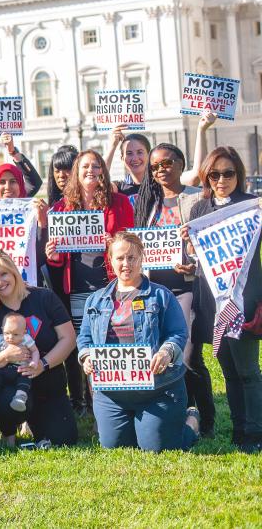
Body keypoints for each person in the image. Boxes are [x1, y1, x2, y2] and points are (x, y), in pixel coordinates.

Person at [77, 232, 199, 452]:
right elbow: (84, 337)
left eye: (132, 257)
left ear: (142, 258)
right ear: (111, 260)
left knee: (157, 450)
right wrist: (86, 356)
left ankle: (191, 423)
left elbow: (178, 333)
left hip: (158, 388)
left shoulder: (161, 296)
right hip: (111, 393)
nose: (126, 264)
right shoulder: (94, 300)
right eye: (120, 258)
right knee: (115, 448)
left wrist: (166, 352)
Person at [132, 143, 214, 436]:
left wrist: (195, 264)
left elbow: (210, 244)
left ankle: (206, 418)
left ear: (181, 163)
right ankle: (180, 412)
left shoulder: (198, 199)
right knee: (161, 355)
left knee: (189, 356)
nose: (161, 170)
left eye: (167, 163)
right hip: (155, 292)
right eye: (155, 167)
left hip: (188, 288)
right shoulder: (146, 203)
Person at [185, 147, 262, 451]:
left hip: (244, 301)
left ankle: (255, 434)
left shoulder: (251, 206)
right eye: (214, 174)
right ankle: (240, 431)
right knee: (229, 372)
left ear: (238, 175)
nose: (221, 180)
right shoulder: (199, 210)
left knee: (249, 373)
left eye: (228, 173)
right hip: (212, 302)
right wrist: (189, 252)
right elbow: (199, 258)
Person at [46, 149, 133, 415]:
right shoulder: (61, 208)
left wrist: (114, 242)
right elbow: (57, 261)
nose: (90, 171)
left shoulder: (119, 202)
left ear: (103, 171)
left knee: (112, 342)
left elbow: (130, 243)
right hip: (78, 288)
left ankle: (112, 404)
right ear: (76, 172)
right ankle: (90, 405)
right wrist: (52, 254)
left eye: (96, 166)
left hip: (111, 284)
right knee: (87, 345)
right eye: (85, 166)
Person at [0, 251, 78, 448]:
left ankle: (35, 423)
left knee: (64, 440)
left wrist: (43, 364)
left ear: (14, 272)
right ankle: (8, 431)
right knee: (8, 403)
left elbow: (69, 339)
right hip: (10, 386)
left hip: (49, 385)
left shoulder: (44, 297)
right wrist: (5, 357)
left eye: (4, 274)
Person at [105, 112, 216, 193]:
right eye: (129, 153)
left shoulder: (163, 180)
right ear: (122, 158)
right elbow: (98, 182)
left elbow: (196, 175)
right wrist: (112, 147)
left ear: (149, 156)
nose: (135, 158)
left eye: (140, 152)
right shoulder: (118, 188)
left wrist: (201, 130)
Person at [0, 312, 39, 412]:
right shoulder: (1, 339)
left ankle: (19, 398)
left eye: (15, 334)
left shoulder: (26, 339)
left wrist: (34, 362)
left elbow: (35, 351)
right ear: (2, 329)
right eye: (7, 333)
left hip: (20, 369)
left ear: (24, 332)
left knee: (25, 380)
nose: (10, 337)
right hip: (3, 368)